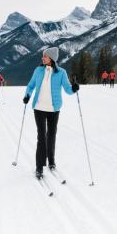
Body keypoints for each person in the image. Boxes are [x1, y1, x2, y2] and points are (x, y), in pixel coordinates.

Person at [23, 47, 79, 179]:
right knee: (41, 137)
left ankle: (51, 161)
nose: (42, 58)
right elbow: (31, 85)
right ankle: (39, 166)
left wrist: (74, 88)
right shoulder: (38, 70)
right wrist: (27, 95)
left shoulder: (61, 73)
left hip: (54, 109)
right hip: (39, 108)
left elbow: (68, 89)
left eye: (45, 56)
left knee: (52, 135)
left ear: (51, 58)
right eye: (43, 56)